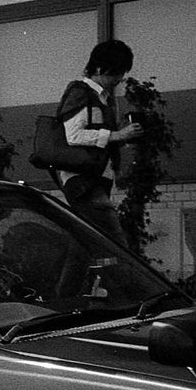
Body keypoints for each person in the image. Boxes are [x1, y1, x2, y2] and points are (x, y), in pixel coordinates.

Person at [55, 39, 144, 244]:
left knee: (84, 248)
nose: (119, 78)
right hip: (85, 180)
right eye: (116, 72)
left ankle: (71, 277)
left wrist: (120, 137)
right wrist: (118, 136)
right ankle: (128, 277)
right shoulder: (82, 93)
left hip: (92, 180)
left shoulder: (102, 99)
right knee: (115, 245)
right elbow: (73, 135)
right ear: (98, 68)